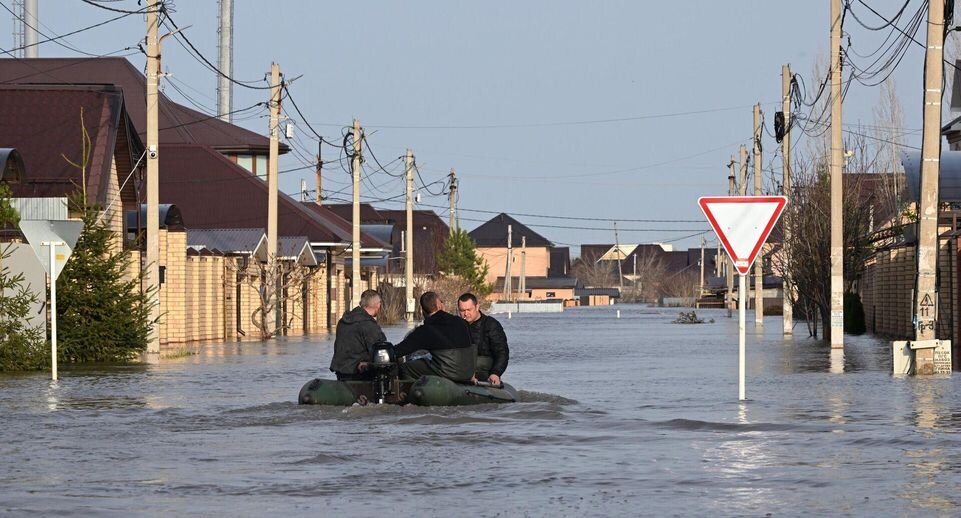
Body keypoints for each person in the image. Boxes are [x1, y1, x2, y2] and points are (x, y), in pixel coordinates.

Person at [394, 291, 475, 382]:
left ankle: (410, 393)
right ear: (440, 306)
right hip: (468, 373)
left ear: (422, 311)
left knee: (407, 368)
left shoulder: (425, 330)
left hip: (447, 373)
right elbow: (472, 347)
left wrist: (386, 351)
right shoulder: (461, 322)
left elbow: (399, 350)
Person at [329, 289, 387, 380]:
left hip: (341, 372)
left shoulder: (343, 321)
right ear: (377, 305)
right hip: (359, 372)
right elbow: (381, 350)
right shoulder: (368, 325)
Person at [457, 293, 509, 385]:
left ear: (477, 307)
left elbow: (502, 353)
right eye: (462, 310)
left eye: (469, 310)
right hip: (461, 372)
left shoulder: (491, 325)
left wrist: (495, 373)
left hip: (484, 373)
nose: (466, 314)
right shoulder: (455, 326)